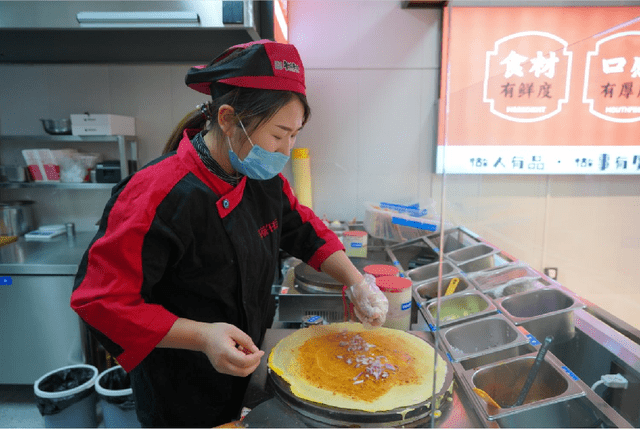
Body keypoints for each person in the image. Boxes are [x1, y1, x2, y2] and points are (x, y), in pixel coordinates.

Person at [70, 39, 388, 428]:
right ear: (226, 118)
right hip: (181, 387)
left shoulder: (260, 177)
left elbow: (301, 227)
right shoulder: (156, 193)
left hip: (245, 370)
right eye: (277, 135)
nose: (286, 150)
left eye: (294, 135)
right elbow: (100, 301)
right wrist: (202, 337)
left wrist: (356, 282)